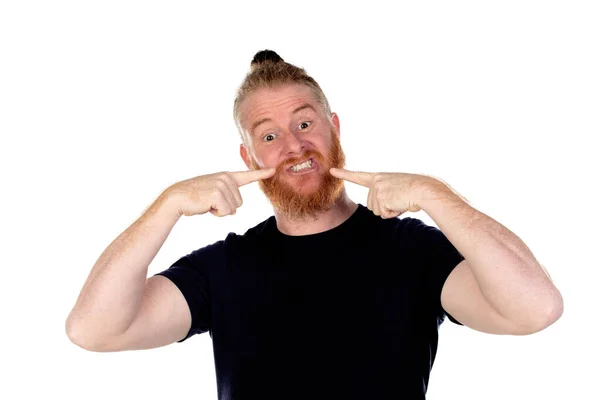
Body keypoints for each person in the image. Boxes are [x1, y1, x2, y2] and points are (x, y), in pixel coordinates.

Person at [66, 50, 563, 399]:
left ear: (334, 128)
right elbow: (93, 330)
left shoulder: (414, 252)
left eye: (305, 124)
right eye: (269, 135)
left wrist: (435, 195)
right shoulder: (223, 268)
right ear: (247, 155)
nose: (293, 147)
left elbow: (535, 309)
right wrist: (167, 204)